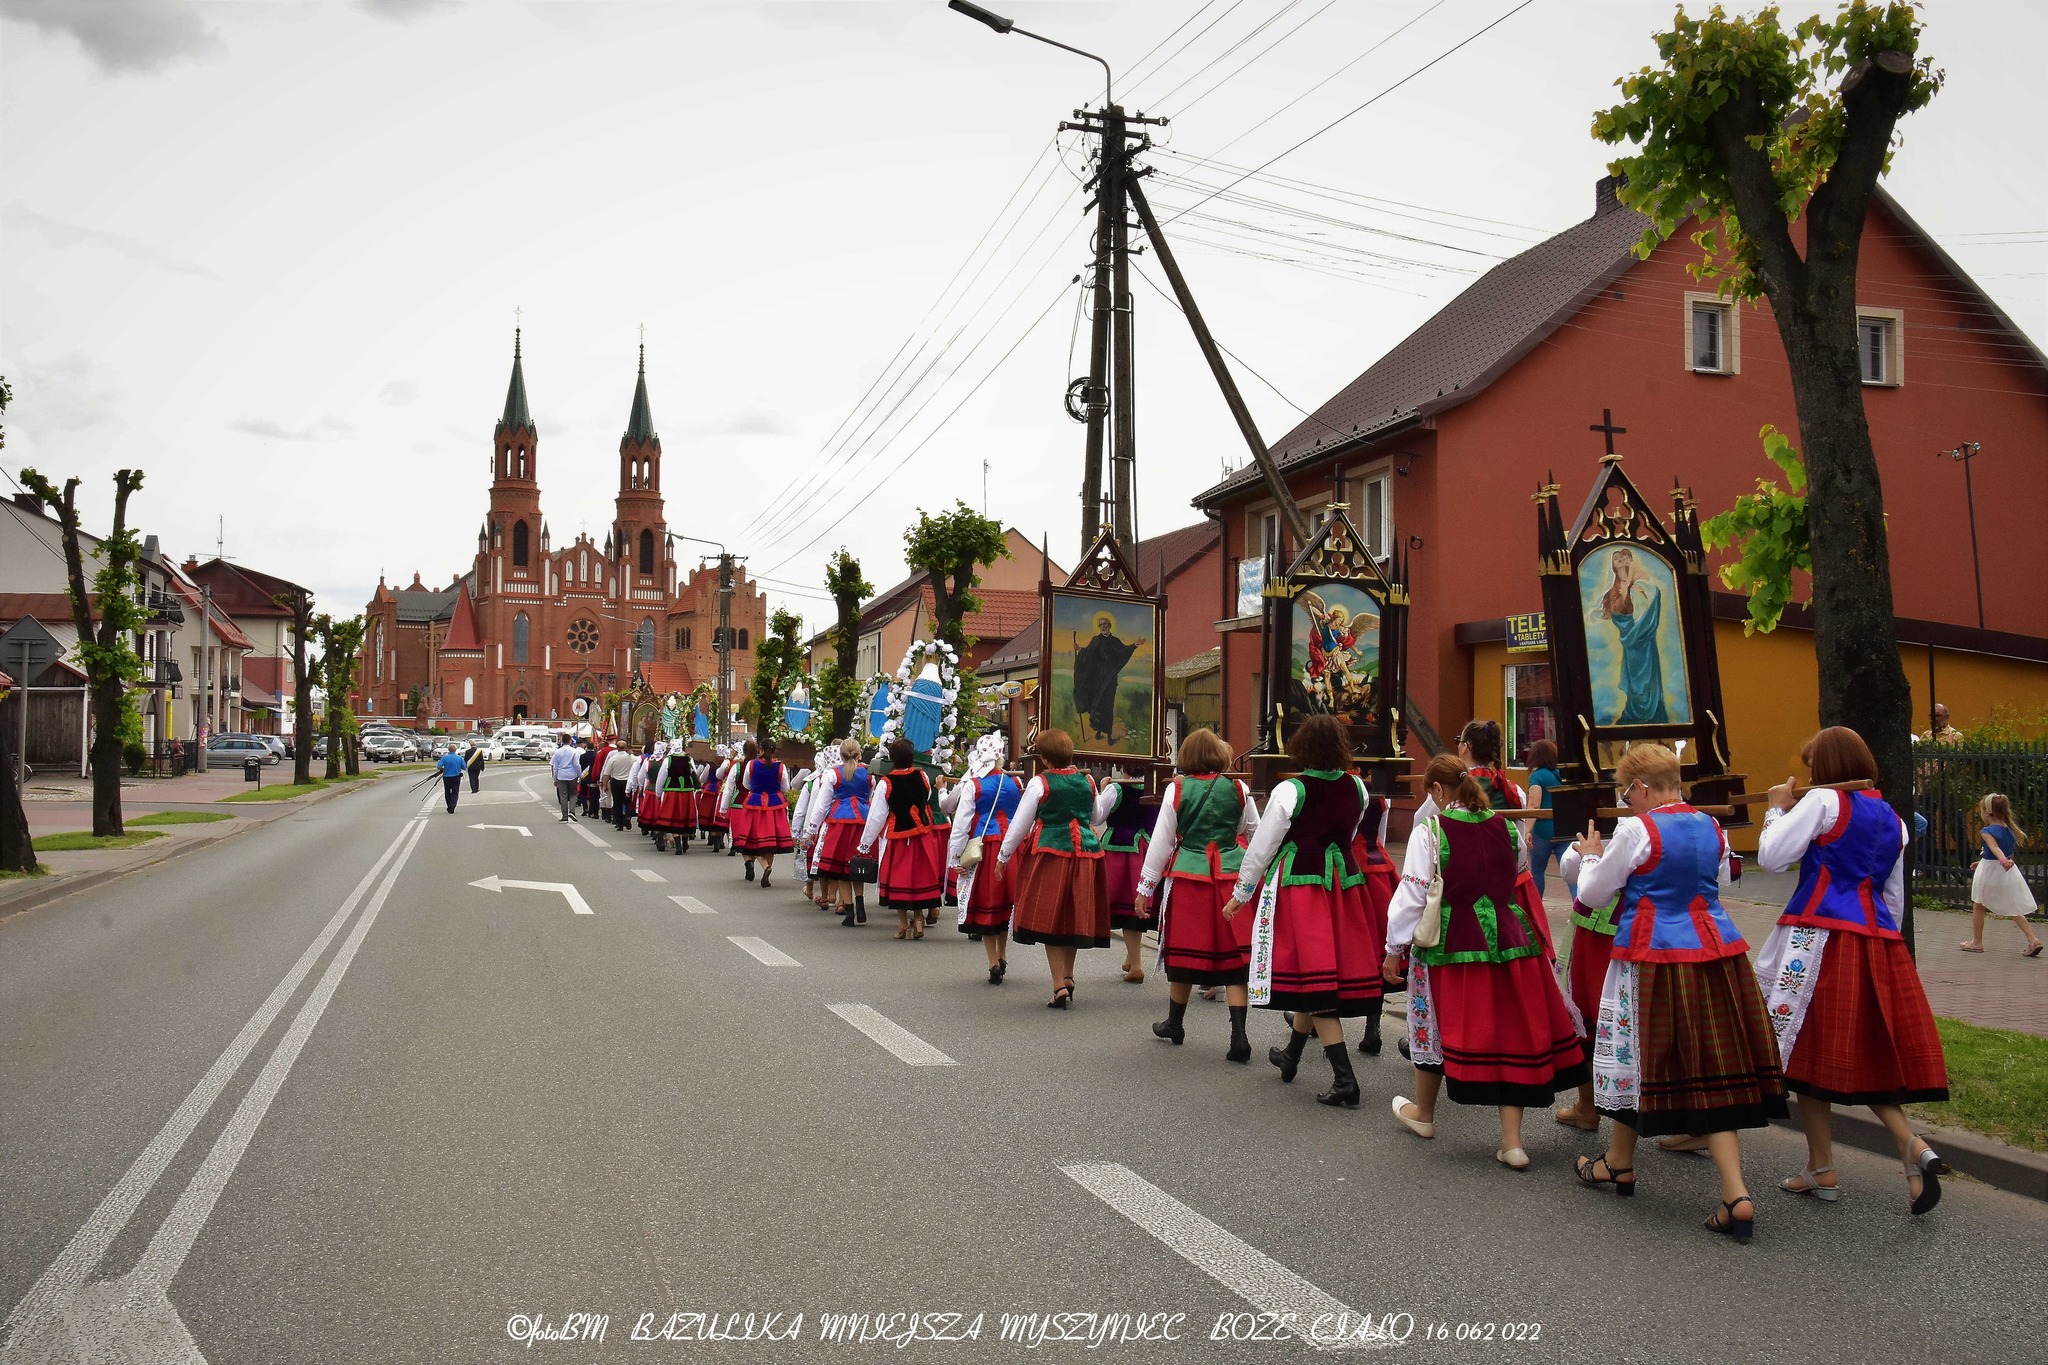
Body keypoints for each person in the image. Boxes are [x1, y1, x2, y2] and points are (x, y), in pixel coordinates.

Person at [1569, 743, 1786, 1243]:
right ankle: (1721, 1188)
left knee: (1637, 1055)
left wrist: (1589, 857)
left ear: (1641, 787)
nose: (1626, 802)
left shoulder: (1637, 830)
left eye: (1626, 793)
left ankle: (1626, 1164)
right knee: (1711, 1063)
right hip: (1715, 952)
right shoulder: (1711, 826)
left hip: (1653, 955)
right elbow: (1721, 878)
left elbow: (1593, 893)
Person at [1754, 727, 1949, 1214]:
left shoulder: (1823, 801)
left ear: (1827, 767)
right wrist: (1884, 946)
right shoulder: (1894, 820)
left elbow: (1771, 858)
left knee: (1804, 1045)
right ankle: (1870, 1154)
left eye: (1813, 764)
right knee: (1838, 1051)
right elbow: (1892, 897)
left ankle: (1851, 1159)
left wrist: (1777, 809)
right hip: (1875, 940)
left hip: (1816, 938)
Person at [1383, 754, 1587, 1169]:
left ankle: (1424, 1113)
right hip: (1511, 940)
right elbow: (1518, 870)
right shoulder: (1507, 828)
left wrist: (1393, 947)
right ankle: (1512, 1142)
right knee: (1512, 1032)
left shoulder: (1430, 831)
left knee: (1431, 1023)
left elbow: (1414, 893)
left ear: (1438, 790)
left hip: (1451, 941)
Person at [1228, 715, 1379, 1106]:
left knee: (1316, 976)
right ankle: (1291, 1055)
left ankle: (1345, 1078)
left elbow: (1262, 847)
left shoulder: (1290, 790)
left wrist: (1242, 891)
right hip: (1343, 883)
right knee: (1319, 969)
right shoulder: (1357, 787)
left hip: (1302, 886)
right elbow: (1349, 832)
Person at [1133, 728, 1260, 1062]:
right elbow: (1254, 831)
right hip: (1231, 877)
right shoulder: (1239, 788)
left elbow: (1161, 842)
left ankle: (1175, 1023)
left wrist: (1145, 888)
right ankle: (1239, 1036)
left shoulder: (1177, 789)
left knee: (1185, 952)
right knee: (1235, 958)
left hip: (1190, 877)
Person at [997, 728, 1110, 1008]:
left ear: (1045, 759)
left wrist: (1003, 855)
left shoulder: (1040, 783)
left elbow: (1020, 823)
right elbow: (1096, 817)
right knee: (1072, 914)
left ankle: (1059, 984)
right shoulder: (1087, 781)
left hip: (1051, 851)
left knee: (1052, 916)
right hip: (1085, 853)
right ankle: (1068, 977)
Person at [949, 733, 1023, 983]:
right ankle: (1002, 955)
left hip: (985, 845)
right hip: (1011, 845)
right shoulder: (1015, 782)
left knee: (988, 902)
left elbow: (961, 825)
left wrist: (955, 857)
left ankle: (992, 961)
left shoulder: (973, 784)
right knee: (1005, 902)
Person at [858, 737, 949, 939]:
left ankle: (903, 924)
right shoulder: (922, 775)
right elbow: (925, 798)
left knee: (899, 878)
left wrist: (865, 843)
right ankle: (918, 919)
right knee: (918, 876)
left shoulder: (886, 783)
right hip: (922, 834)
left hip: (899, 835)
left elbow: (877, 816)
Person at [1349, 765, 1398, 1058]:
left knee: (1340, 947)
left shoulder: (1337, 786)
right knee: (1377, 947)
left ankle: (1316, 1019)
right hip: (1377, 866)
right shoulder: (1380, 792)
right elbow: (1380, 834)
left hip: (1346, 865)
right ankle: (1372, 1028)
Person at [1589, 546, 1669, 725]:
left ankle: (1654, 715)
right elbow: (1615, 611)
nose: (1620, 559)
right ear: (1612, 565)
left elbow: (1650, 600)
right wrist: (1625, 594)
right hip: (1631, 642)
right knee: (1635, 683)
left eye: (1623, 557)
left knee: (1648, 679)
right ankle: (1634, 713)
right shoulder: (1612, 591)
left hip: (1645, 640)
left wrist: (1633, 589)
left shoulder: (1638, 584)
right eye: (1616, 558)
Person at [1962, 792, 2042, 956]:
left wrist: (2002, 860)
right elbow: (1999, 852)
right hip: (2004, 872)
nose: (1981, 813)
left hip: (1990, 872)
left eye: (1982, 810)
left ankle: (1976, 943)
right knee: (2011, 906)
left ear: (1988, 812)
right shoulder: (2009, 829)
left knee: (1978, 905)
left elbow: (1995, 848)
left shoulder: (1987, 831)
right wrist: (1986, 861)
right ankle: (2032, 939)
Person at [808, 739, 872, 926]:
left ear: (841, 756)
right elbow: (870, 797)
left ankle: (849, 912)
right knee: (858, 864)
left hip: (839, 821)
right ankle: (860, 904)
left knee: (842, 868)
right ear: (859, 754)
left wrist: (812, 828)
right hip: (862, 821)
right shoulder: (869, 775)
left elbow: (822, 804)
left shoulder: (833, 774)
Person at [1097, 777, 1154, 982]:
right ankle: (1131, 957)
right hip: (1148, 848)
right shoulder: (1156, 786)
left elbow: (1096, 817)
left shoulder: (1116, 788)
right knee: (1138, 899)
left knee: (1128, 904)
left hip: (1120, 850)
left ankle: (1137, 965)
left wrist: (1102, 791)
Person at [727, 740, 794, 887]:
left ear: (760, 749)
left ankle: (765, 867)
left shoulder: (752, 764)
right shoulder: (780, 766)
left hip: (755, 803)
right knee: (771, 840)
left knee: (754, 837)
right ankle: (767, 869)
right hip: (774, 804)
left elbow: (746, 784)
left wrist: (757, 788)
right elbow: (785, 787)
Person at [1069, 612, 1138, 745]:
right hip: (1097, 677)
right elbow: (1089, 653)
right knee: (1098, 703)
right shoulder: (1096, 640)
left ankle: (1109, 734)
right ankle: (1099, 729)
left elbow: (1123, 651)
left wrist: (1134, 645)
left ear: (1109, 625)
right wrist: (1080, 649)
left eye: (1104, 624)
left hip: (1110, 677)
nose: (1102, 627)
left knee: (1108, 704)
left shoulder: (1115, 641)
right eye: (1100, 625)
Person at [1524, 739, 1567, 900]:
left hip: (1543, 830)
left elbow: (1534, 804)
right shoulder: (1563, 775)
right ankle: (1579, 908)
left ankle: (1536, 907)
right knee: (1571, 872)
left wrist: (1528, 830)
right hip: (1564, 829)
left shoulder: (1537, 777)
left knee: (1537, 870)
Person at [646, 744, 699, 854]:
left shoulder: (668, 760)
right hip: (687, 791)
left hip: (672, 791)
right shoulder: (688, 759)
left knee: (674, 816)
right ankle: (685, 842)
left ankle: (678, 845)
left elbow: (661, 778)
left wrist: (658, 793)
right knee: (685, 816)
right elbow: (694, 773)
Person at [600, 739, 635, 831]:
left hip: (616, 781)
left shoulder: (613, 758)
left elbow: (606, 773)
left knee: (617, 802)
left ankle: (619, 824)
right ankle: (627, 816)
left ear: (617, 748)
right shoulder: (632, 758)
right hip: (628, 781)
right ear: (626, 747)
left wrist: (605, 785)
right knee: (628, 802)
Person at [549, 734, 582, 822]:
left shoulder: (558, 752)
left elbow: (555, 767)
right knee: (573, 794)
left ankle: (564, 815)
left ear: (562, 741)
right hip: (572, 775)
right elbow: (577, 764)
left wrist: (555, 778)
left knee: (563, 796)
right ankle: (572, 811)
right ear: (570, 740)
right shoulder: (574, 751)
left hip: (561, 775)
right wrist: (580, 775)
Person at [435, 742, 467, 814]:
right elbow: (464, 767)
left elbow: (438, 766)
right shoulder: (459, 758)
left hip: (446, 777)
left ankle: (449, 805)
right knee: (455, 792)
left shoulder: (444, 757)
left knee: (447, 791)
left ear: (448, 750)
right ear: (455, 750)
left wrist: (443, 768)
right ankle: (452, 805)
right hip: (456, 777)